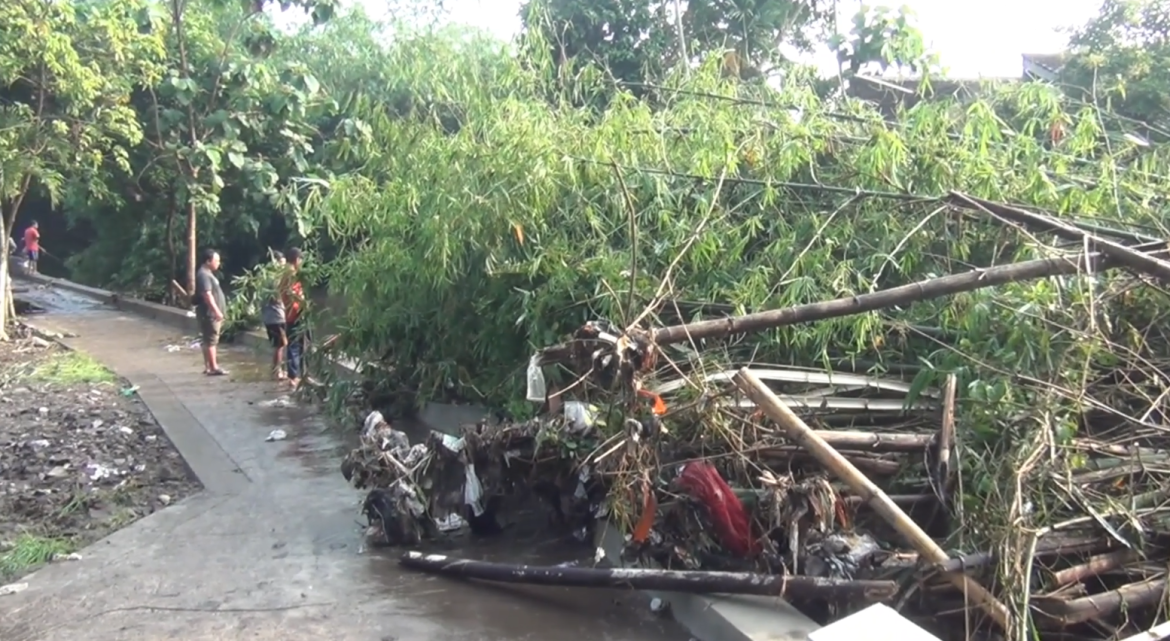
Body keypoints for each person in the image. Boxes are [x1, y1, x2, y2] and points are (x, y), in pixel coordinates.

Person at [194, 248, 228, 376]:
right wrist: (217, 311)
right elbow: (207, 295)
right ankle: (213, 367)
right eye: (216, 260)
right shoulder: (204, 275)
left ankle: (209, 366)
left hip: (209, 313)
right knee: (211, 340)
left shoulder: (207, 273)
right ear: (208, 261)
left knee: (208, 340)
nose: (218, 263)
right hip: (209, 314)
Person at [281, 247, 308, 387]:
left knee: (296, 344)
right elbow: (292, 293)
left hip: (291, 313)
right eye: (301, 259)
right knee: (295, 346)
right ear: (297, 259)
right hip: (294, 314)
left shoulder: (286, 273)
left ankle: (296, 374)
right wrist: (304, 303)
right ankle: (294, 376)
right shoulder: (291, 273)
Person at [260, 251, 288, 380]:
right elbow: (276, 297)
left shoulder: (265, 277)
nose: (283, 266)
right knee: (280, 344)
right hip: (275, 316)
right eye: (281, 263)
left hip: (270, 316)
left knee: (279, 344)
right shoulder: (274, 278)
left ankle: (275, 369)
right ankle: (277, 371)